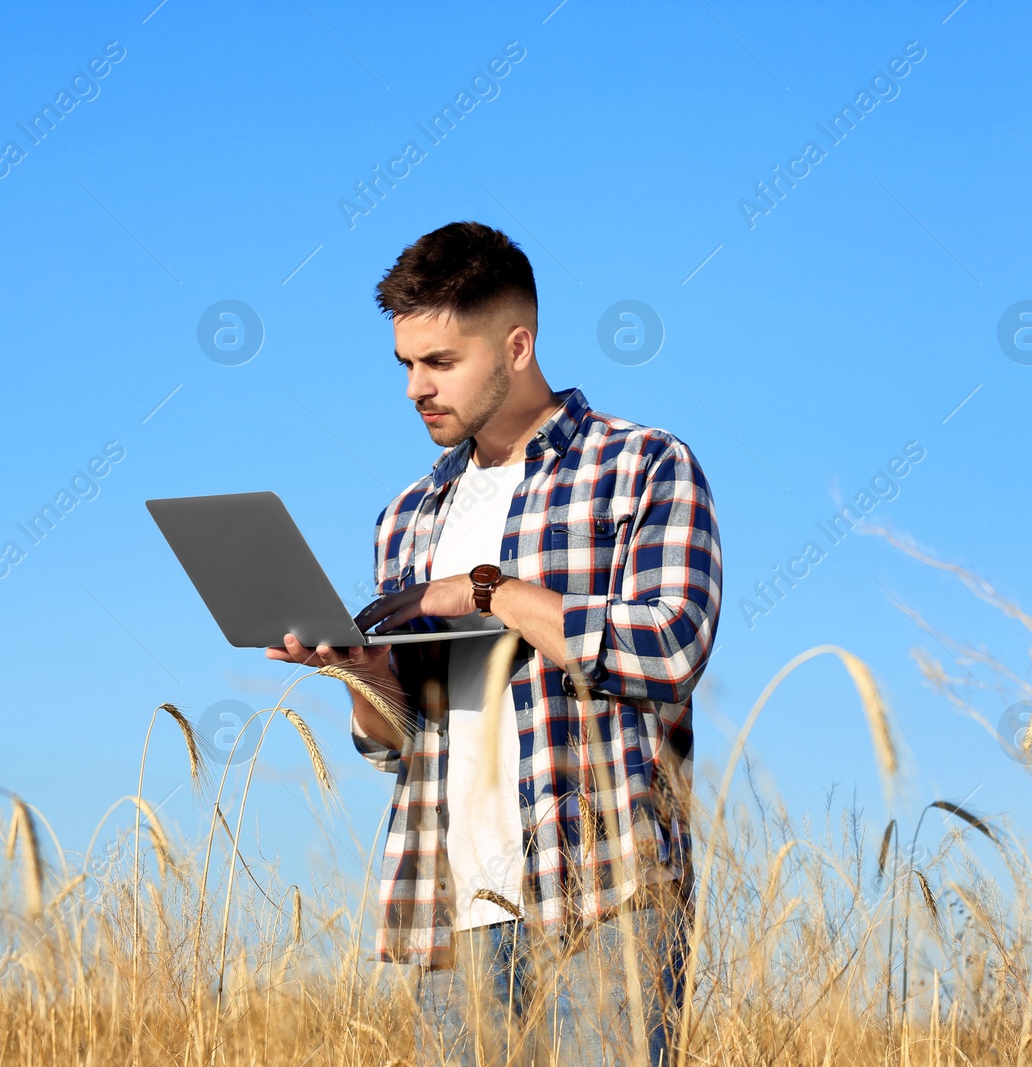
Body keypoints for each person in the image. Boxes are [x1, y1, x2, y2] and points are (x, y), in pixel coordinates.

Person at [266, 220, 722, 1065]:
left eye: (441, 363)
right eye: (406, 364)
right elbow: (400, 743)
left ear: (517, 345)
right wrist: (366, 681)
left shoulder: (642, 466)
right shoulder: (409, 515)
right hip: (450, 912)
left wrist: (490, 590)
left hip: (608, 894)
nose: (415, 388)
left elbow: (669, 650)